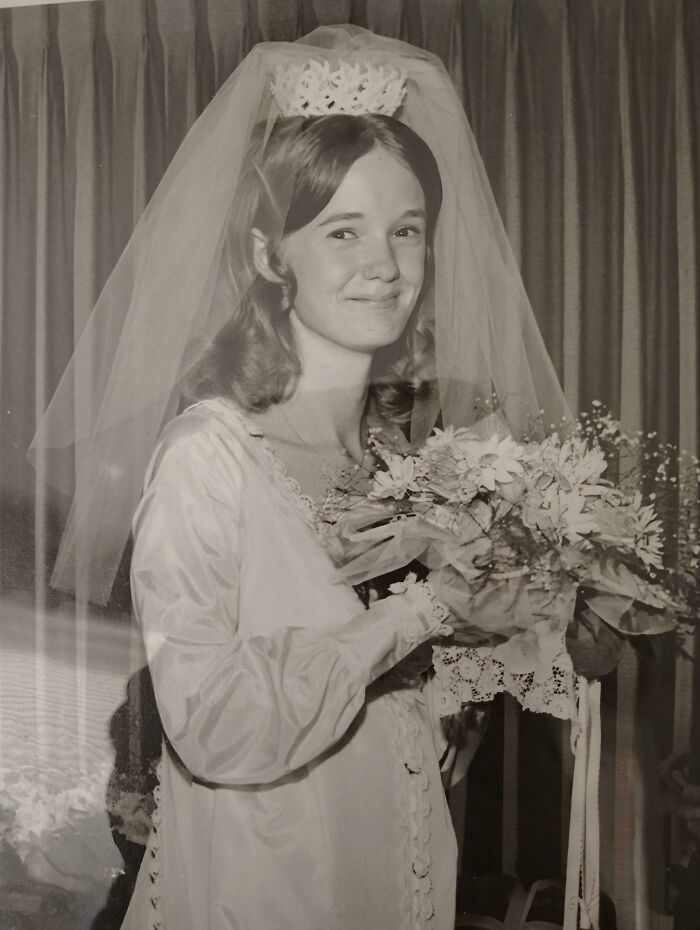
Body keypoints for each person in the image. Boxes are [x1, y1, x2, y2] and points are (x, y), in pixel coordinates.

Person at [31, 25, 570, 930]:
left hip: (398, 859)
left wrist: (503, 631)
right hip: (267, 880)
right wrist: (425, 611)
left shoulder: (414, 462)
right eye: (341, 231)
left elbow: (476, 664)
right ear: (268, 255)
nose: (385, 266)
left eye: (407, 231)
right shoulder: (209, 460)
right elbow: (212, 725)